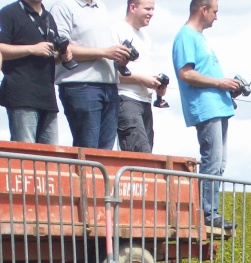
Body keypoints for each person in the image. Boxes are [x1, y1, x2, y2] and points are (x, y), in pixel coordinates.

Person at [172, 0, 239, 230]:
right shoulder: (185, 36)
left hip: (219, 107)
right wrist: (220, 82)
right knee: (212, 160)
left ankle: (212, 210)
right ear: (203, 10)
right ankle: (208, 212)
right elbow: (186, 74)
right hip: (207, 108)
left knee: (219, 163)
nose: (216, 17)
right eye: (215, 12)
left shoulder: (199, 38)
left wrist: (228, 86)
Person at [50, 0, 131, 149]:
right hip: (81, 86)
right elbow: (61, 49)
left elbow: (105, 48)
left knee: (104, 154)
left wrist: (120, 57)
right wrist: (104, 52)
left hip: (109, 86)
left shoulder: (101, 6)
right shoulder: (63, 6)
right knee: (87, 150)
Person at [0, 0, 70, 144]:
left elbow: (49, 56)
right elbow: (1, 49)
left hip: (48, 98)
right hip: (21, 96)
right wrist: (31, 49)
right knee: (26, 156)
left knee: (50, 159)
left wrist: (62, 57)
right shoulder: (9, 12)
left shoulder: (48, 17)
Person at [115, 0, 166, 153]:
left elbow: (141, 70)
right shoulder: (117, 30)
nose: (151, 13)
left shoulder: (145, 37)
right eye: (148, 9)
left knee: (147, 156)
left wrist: (156, 85)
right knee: (140, 155)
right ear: (133, 7)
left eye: (153, 9)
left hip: (145, 101)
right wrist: (143, 80)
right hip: (126, 99)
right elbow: (111, 71)